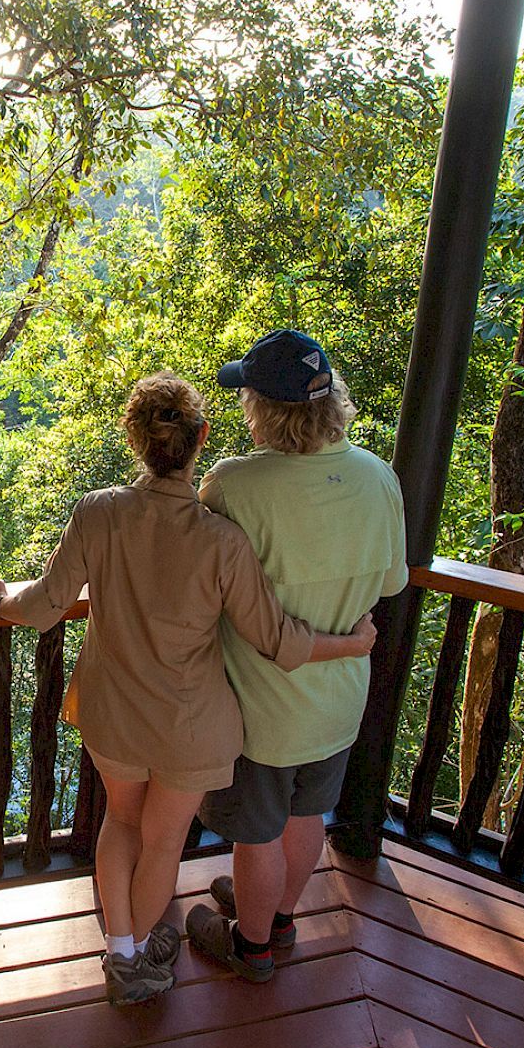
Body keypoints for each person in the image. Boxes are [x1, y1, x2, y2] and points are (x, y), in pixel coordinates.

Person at [0, 371, 376, 1006]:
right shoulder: (223, 540)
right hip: (192, 727)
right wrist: (353, 645)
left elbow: (47, 604)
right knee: (164, 842)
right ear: (201, 439)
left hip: (114, 711)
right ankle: (138, 956)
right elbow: (279, 641)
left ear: (134, 442)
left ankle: (123, 952)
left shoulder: (99, 513)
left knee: (120, 824)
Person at [186, 330, 409, 981]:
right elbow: (390, 584)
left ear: (262, 408)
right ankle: (280, 915)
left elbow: (199, 579)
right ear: (330, 397)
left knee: (255, 834)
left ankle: (251, 946)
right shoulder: (378, 477)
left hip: (263, 707)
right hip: (340, 699)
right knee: (307, 813)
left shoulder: (236, 483)